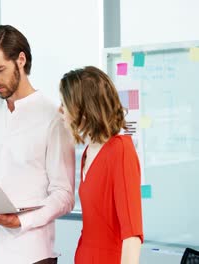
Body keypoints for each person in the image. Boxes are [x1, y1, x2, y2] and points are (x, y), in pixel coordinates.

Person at [0, 25, 75, 264]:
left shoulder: (54, 117)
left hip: (31, 255)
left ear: (21, 60)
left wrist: (21, 221)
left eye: (0, 69)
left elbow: (64, 195)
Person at [59, 66, 144, 264]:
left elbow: (132, 236)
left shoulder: (121, 150)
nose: (60, 110)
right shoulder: (88, 153)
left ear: (84, 109)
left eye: (65, 104)